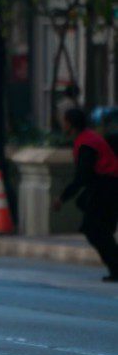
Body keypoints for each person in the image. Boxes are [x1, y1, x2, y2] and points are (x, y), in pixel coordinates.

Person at [53, 108, 118, 282]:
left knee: (94, 229)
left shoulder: (87, 143)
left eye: (64, 121)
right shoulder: (87, 138)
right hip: (105, 186)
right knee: (101, 229)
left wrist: (62, 197)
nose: (62, 124)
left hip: (107, 186)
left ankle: (116, 268)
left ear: (70, 124)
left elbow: (82, 176)